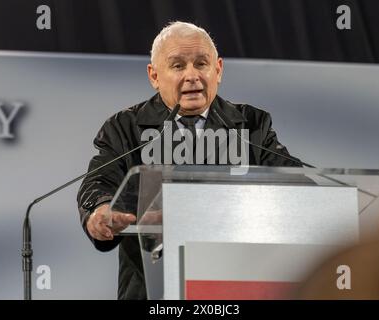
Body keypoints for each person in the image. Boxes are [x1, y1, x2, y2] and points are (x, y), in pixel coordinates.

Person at [77, 21, 300, 299]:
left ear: (218, 70)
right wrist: (100, 210)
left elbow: (294, 180)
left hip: (233, 288)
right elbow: (99, 182)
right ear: (154, 76)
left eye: (201, 64)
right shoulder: (126, 128)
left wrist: (330, 190)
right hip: (152, 291)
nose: (192, 75)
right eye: (178, 65)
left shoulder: (251, 125)